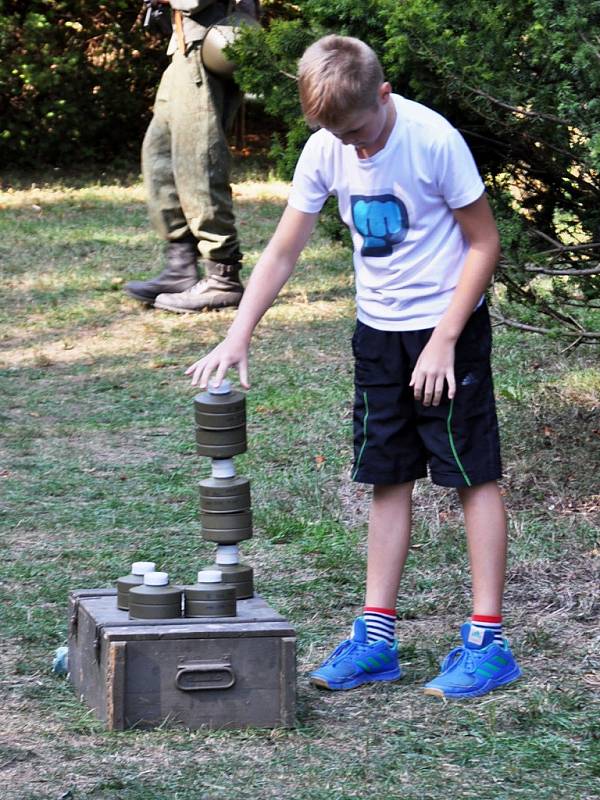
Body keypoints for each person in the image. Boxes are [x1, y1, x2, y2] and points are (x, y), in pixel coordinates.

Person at [185, 34, 522, 699]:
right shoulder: (328, 148)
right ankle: (376, 639)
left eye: (362, 132)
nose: (356, 149)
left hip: (445, 331)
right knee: (387, 476)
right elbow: (283, 251)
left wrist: (446, 339)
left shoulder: (433, 141)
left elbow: (485, 244)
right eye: (340, 138)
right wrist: (237, 334)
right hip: (379, 337)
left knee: (471, 474)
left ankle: (488, 641)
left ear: (384, 95)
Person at [125, 0, 258, 313]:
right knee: (160, 156)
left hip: (209, 44)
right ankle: (180, 267)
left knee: (199, 159)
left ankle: (222, 276)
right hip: (185, 46)